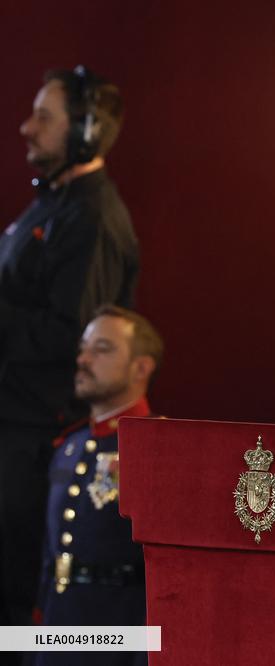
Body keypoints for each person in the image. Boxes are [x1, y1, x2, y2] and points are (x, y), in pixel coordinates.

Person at [0, 66, 139, 631]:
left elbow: (71, 338)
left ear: (85, 131)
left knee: (14, 603)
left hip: (37, 442)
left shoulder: (93, 219)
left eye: (44, 117)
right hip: (15, 432)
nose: (25, 128)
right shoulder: (50, 206)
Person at [34, 305, 162, 666]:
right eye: (83, 348)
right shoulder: (69, 447)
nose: (83, 359)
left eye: (102, 349)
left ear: (141, 366)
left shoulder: (158, 449)